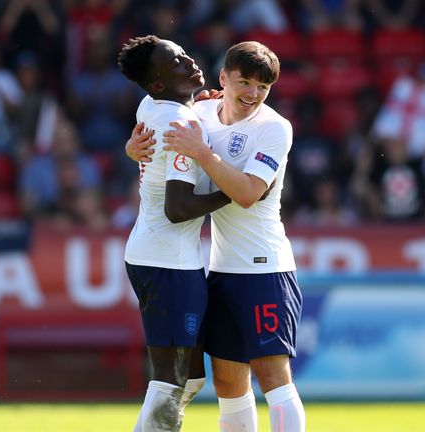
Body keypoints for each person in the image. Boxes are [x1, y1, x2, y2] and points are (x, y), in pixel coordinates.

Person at [129, 40, 306, 432]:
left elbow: (246, 194)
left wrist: (204, 154)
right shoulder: (200, 112)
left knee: (273, 376)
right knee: (227, 382)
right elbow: (156, 128)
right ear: (223, 78)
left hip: (265, 268)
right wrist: (133, 148)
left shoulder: (274, 128)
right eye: (244, 82)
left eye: (263, 87)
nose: (253, 94)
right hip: (221, 270)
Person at [117, 35, 233, 431]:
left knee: (191, 377)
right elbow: (178, 208)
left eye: (183, 53)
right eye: (177, 62)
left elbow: (155, 123)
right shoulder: (179, 122)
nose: (189, 62)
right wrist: (234, 191)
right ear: (159, 83)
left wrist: (202, 104)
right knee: (170, 378)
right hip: (166, 260)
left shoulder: (153, 104)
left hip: (160, 255)